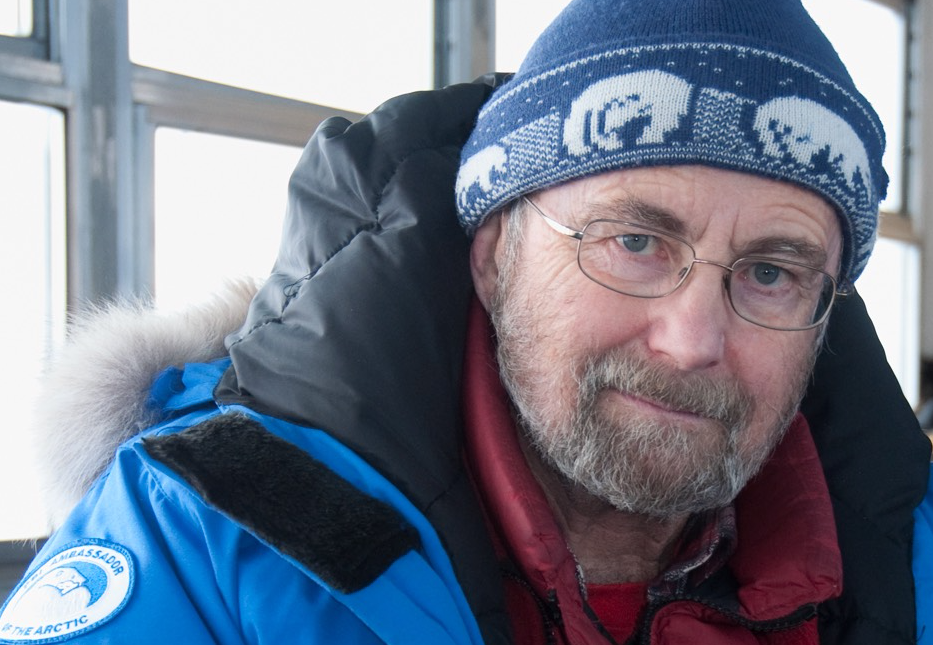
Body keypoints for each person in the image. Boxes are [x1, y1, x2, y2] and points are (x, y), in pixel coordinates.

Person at [1, 0, 930, 643]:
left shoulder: (905, 556)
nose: (690, 339)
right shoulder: (208, 538)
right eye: (633, 241)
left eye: (770, 272)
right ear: (493, 254)